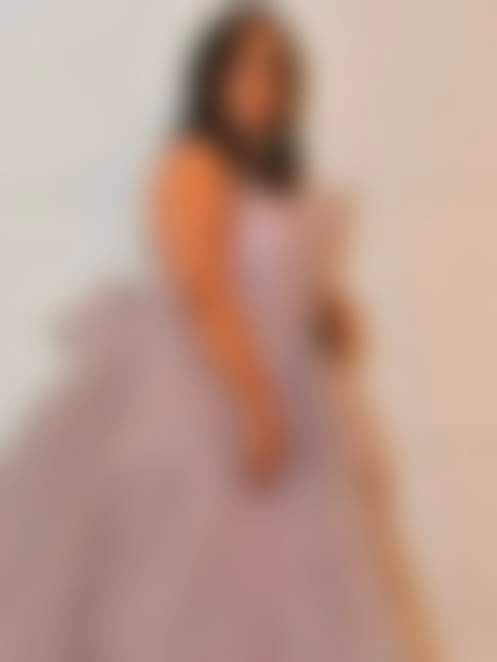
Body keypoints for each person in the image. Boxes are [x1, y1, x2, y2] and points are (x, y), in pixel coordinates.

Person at [0, 8, 401, 661]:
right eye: (246, 69)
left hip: (288, 392)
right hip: (209, 392)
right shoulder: (192, 166)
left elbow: (277, 279)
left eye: (276, 73)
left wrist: (325, 313)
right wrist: (256, 403)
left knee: (286, 587)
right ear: (212, 78)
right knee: (197, 583)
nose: (262, 88)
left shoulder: (268, 175)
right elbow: (203, 287)